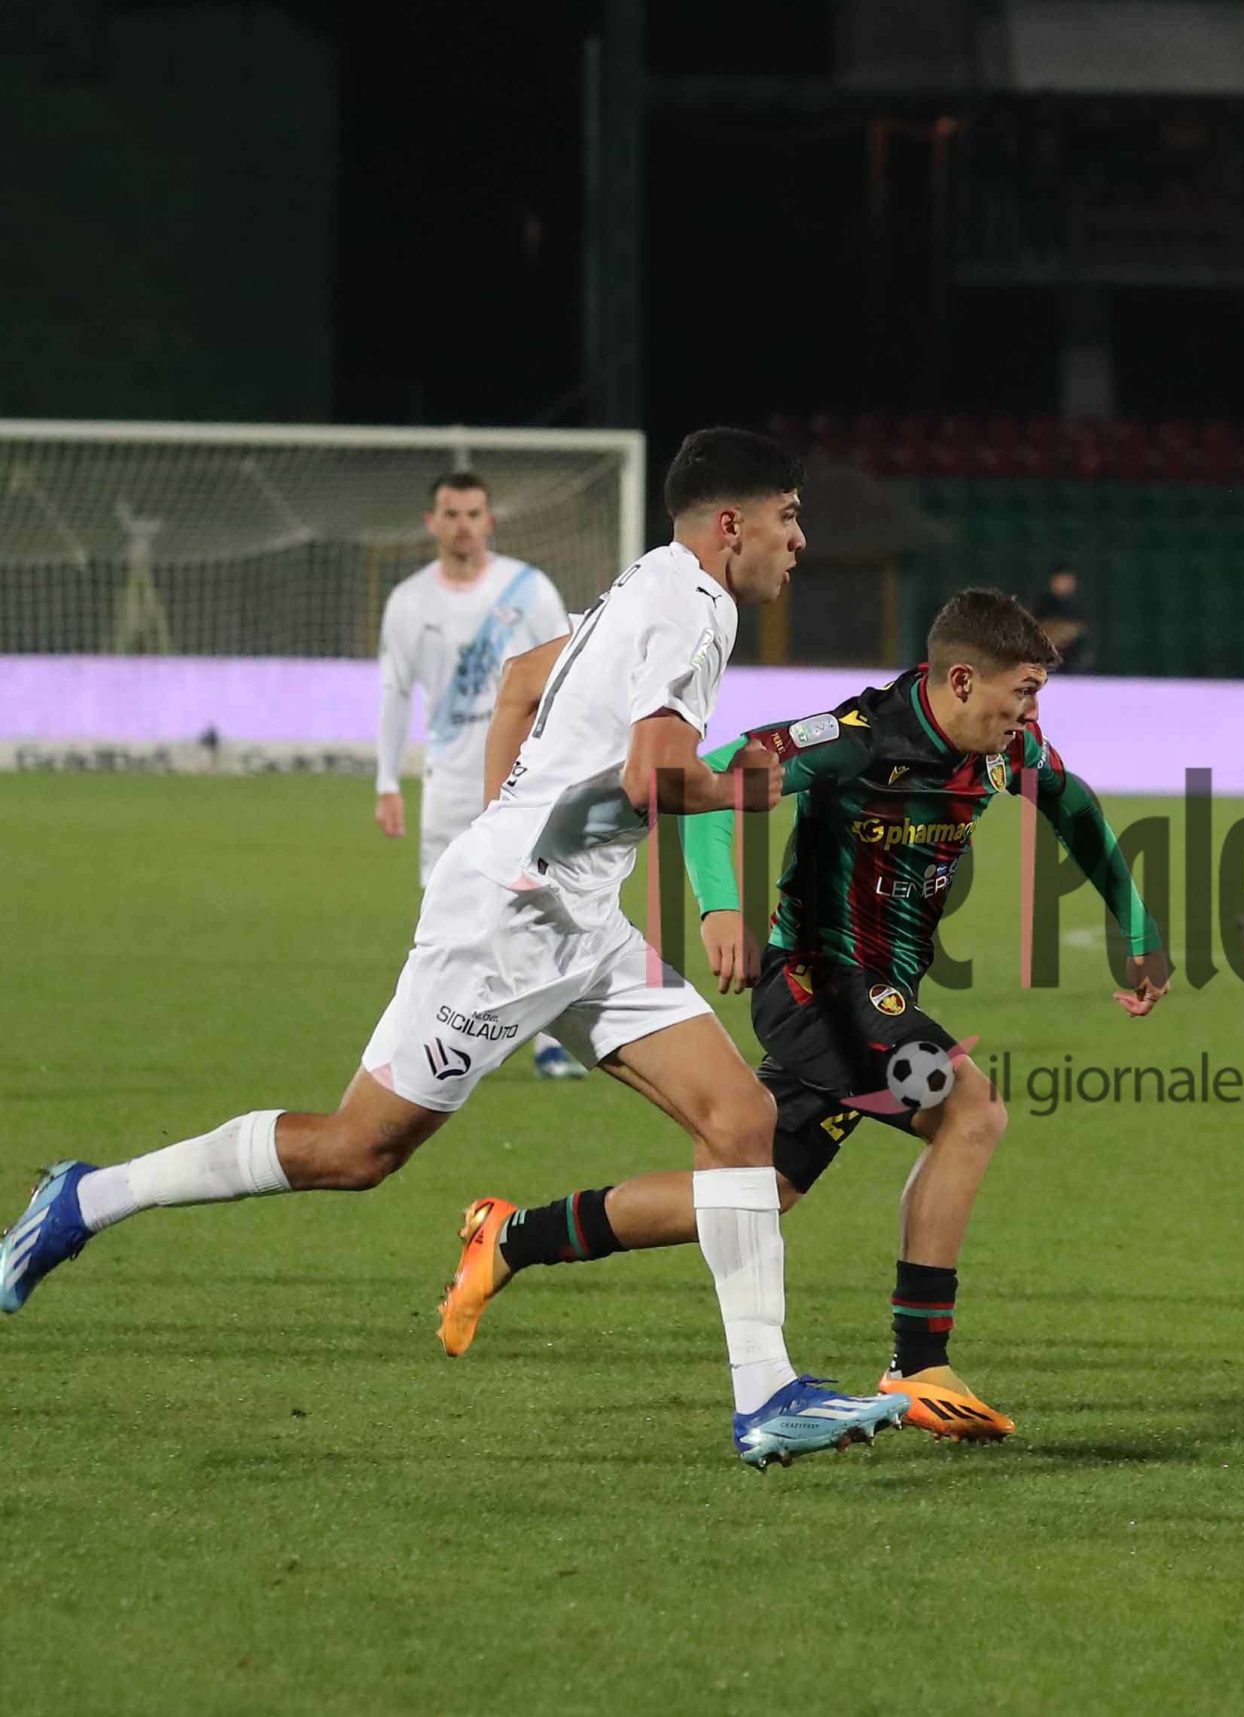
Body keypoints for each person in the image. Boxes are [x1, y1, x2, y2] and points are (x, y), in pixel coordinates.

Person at [1, 428, 906, 1467]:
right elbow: (657, 777)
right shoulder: (697, 606)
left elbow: (520, 681)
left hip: (571, 914)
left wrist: (507, 827)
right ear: (732, 524)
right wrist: (764, 779)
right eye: (790, 516)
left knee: (740, 1116)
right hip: (509, 928)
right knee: (357, 1150)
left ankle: (767, 1397)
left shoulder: (649, 581)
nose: (801, 539)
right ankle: (88, 1196)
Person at [436, 589, 1169, 1441]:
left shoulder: (1009, 749)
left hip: (878, 992)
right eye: (1025, 691)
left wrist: (1137, 927)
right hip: (818, 986)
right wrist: (720, 905)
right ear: (965, 680)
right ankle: (918, 1361)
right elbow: (714, 770)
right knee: (970, 1109)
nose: (1033, 713)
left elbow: (1074, 806)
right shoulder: (858, 738)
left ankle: (512, 1236)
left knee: (756, 1191)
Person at [374, 471, 581, 1079]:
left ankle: (548, 1043)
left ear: (488, 521)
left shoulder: (529, 589)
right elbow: (394, 692)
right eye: (451, 513)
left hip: (523, 780)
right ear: (431, 523)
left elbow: (568, 677)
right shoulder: (409, 601)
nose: (462, 525)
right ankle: (433, 1040)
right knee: (447, 917)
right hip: (447, 781)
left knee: (534, 903)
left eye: (472, 514)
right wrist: (387, 781)